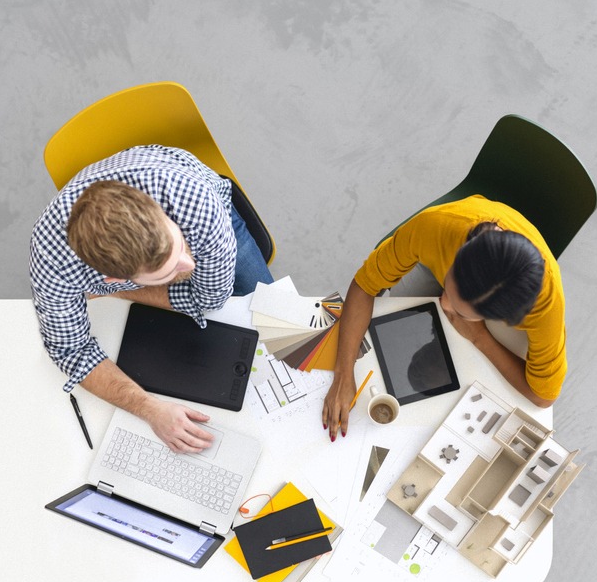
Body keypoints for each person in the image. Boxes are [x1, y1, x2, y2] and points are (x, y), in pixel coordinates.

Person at [30, 144, 275, 453]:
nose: (189, 263)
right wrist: (150, 409)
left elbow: (210, 299)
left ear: (157, 210)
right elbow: (72, 353)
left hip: (206, 199)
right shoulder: (51, 264)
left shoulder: (193, 201)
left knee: (274, 317)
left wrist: (118, 293)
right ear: (117, 278)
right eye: (168, 271)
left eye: (178, 244)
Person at [319, 196, 566, 438]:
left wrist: (480, 337)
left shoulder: (545, 307)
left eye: (460, 311)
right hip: (447, 238)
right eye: (448, 285)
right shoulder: (435, 226)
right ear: (459, 256)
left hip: (504, 318)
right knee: (393, 318)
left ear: (502, 318)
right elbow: (365, 285)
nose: (443, 303)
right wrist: (343, 373)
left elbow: (543, 396)